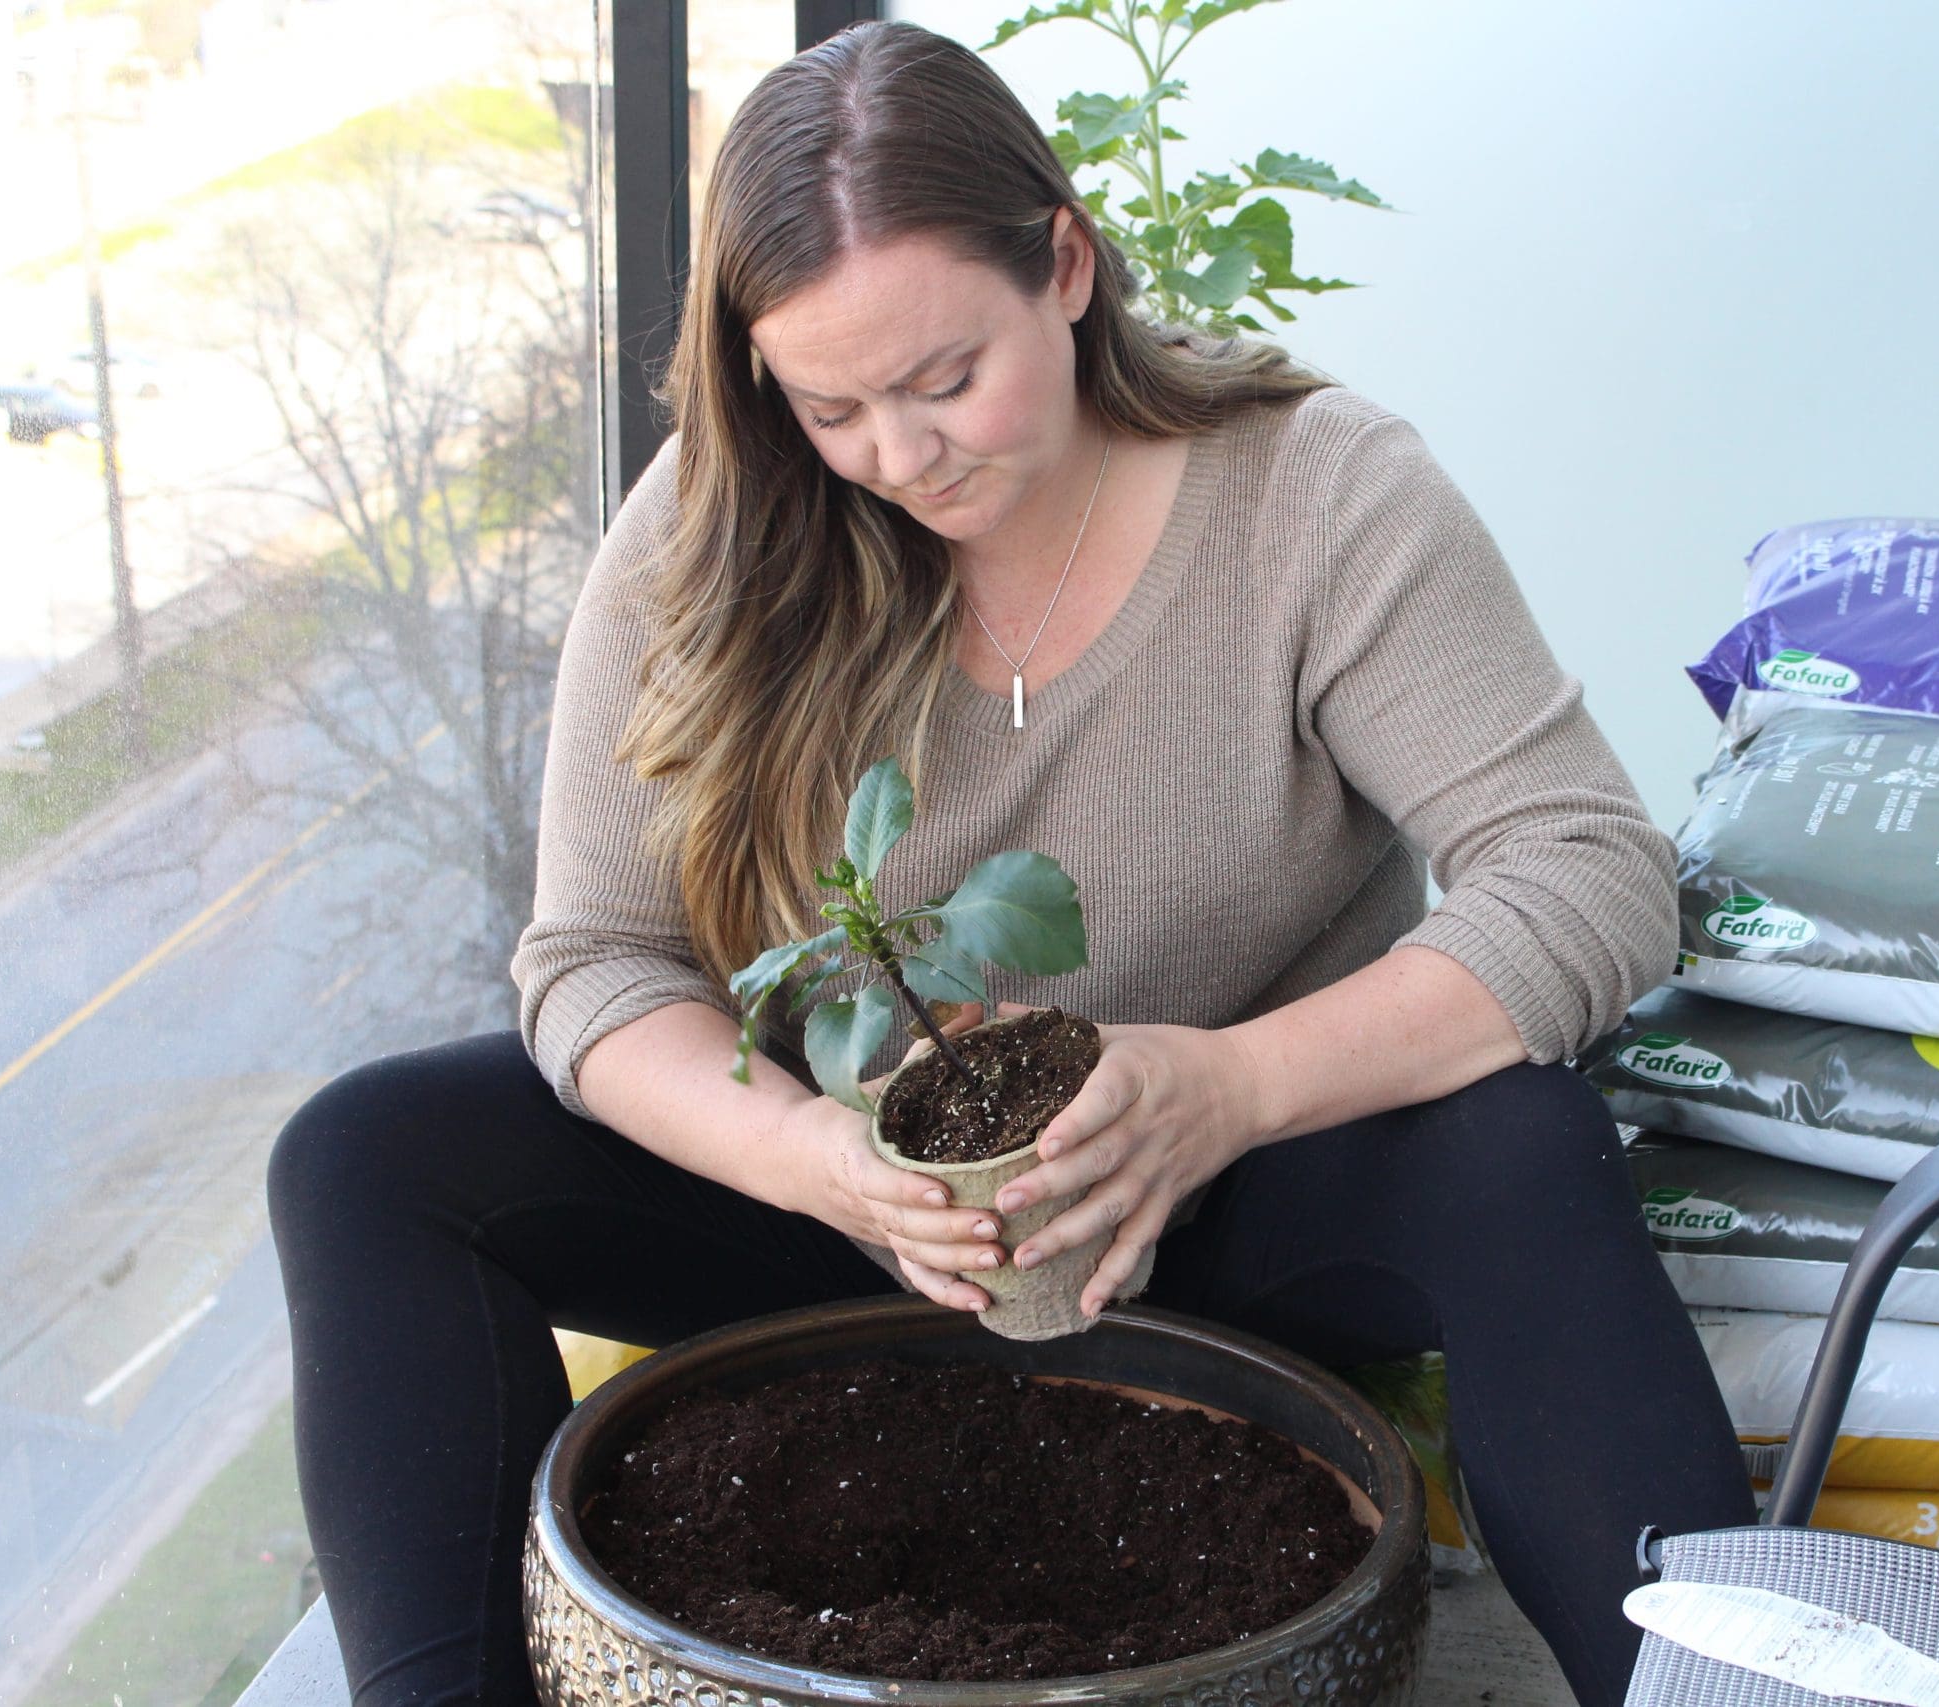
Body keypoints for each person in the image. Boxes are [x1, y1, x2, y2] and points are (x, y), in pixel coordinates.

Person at [267, 18, 1752, 1706]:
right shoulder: (720, 517)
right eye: (831, 405)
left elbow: (1584, 868)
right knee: (364, 1160)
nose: (901, 458)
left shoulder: (1314, 497)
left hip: (1212, 1204)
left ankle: (1718, 1691)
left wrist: (1227, 1091)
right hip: (852, 1206)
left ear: (1064, 263)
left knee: (1525, 1147)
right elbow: (593, 962)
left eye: (944, 380)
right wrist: (823, 1161)